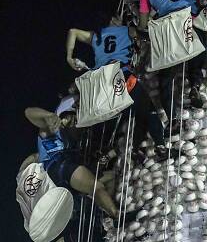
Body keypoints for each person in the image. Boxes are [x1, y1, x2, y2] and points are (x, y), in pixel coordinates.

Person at [65, 15, 165, 153]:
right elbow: (147, 35)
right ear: (115, 21)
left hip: (100, 81)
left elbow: (72, 31)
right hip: (120, 75)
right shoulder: (126, 30)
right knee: (148, 110)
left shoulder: (96, 36)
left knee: (112, 117)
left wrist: (69, 57)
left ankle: (107, 151)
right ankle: (160, 144)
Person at [25, 97, 118, 219]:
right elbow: (28, 112)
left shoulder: (73, 141)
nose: (76, 123)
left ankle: (106, 215)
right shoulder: (52, 129)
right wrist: (48, 115)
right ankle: (117, 216)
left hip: (67, 173)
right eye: (73, 119)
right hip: (58, 169)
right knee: (96, 186)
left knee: (111, 177)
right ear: (65, 117)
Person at [138, 0, 206, 115]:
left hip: (169, 34)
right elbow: (194, 1)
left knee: (166, 80)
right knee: (198, 50)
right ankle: (195, 85)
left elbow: (142, 23)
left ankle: (172, 118)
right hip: (188, 23)